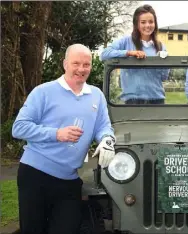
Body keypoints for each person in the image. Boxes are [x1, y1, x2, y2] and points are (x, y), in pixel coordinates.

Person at [12, 44, 116, 234]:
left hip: (69, 179)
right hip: (36, 175)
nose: (81, 69)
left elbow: (103, 126)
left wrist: (107, 139)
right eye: (76, 63)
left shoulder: (96, 95)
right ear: (65, 64)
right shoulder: (43, 91)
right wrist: (56, 134)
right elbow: (18, 128)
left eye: (86, 64)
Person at [101, 4, 169, 104]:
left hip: (157, 99)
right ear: (136, 24)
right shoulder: (125, 42)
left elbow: (164, 77)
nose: (148, 25)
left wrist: (163, 62)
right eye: (143, 22)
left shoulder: (160, 46)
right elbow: (104, 54)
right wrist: (129, 53)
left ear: (155, 23)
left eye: (151, 22)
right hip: (132, 101)